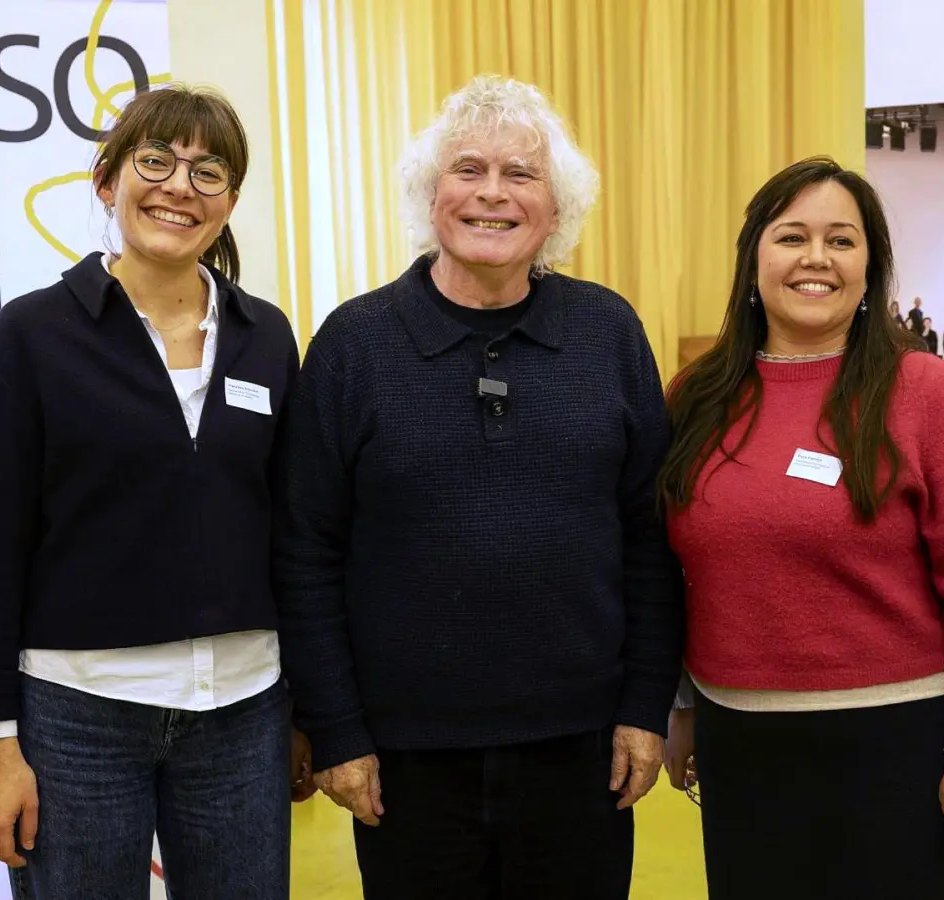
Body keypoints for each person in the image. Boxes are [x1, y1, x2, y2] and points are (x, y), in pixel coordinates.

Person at [281, 74, 683, 900]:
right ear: (430, 197)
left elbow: (651, 539)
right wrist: (337, 729)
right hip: (404, 761)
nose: (492, 193)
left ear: (556, 208)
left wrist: (646, 707)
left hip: (583, 754)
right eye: (468, 169)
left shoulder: (609, 333)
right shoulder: (353, 346)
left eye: (520, 174)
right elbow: (305, 552)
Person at [0, 85, 309, 899]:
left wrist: (308, 707)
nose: (180, 186)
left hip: (246, 710)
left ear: (229, 204)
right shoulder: (35, 335)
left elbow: (294, 532)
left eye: (208, 172)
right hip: (79, 716)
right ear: (108, 180)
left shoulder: (266, 337)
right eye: (156, 161)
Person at [657, 157, 944, 899]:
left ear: (870, 267)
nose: (816, 258)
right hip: (740, 746)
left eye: (841, 240)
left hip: (897, 749)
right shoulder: (695, 396)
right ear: (754, 259)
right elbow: (671, 572)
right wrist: (683, 706)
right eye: (792, 237)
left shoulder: (927, 392)